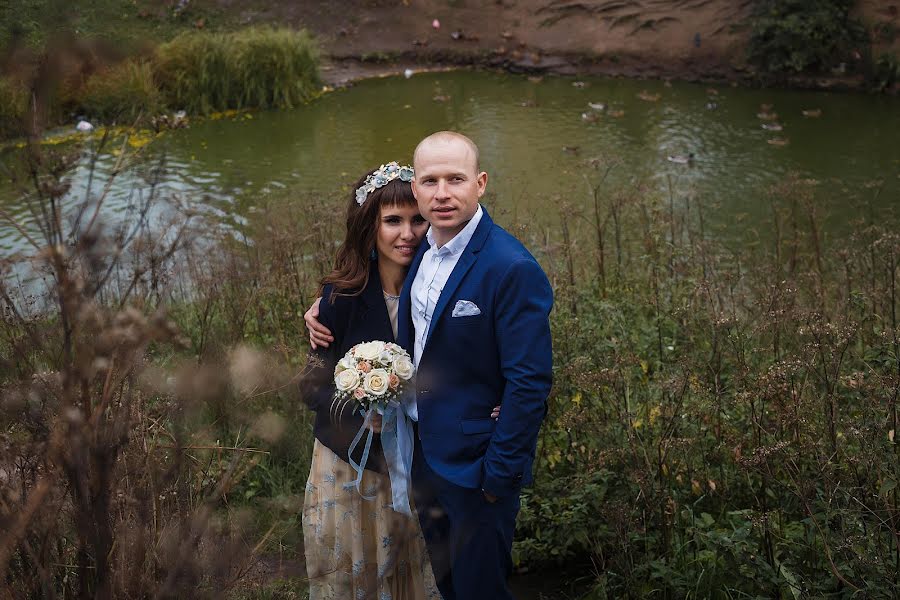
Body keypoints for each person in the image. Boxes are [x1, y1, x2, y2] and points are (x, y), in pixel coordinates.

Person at [306, 132, 554, 600]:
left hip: (478, 470)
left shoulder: (510, 266)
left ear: (480, 183)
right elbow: (373, 280)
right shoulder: (422, 254)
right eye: (431, 182)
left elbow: (530, 379)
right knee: (447, 586)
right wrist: (320, 307)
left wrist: (498, 476)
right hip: (424, 463)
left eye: (455, 179)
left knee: (481, 589)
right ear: (417, 187)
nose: (442, 194)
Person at [298, 162, 441, 600]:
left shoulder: (439, 288)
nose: (408, 234)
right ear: (369, 230)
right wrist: (360, 409)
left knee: (412, 570)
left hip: (415, 461)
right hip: (350, 465)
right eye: (392, 221)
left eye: (417, 219)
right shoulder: (341, 298)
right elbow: (311, 388)